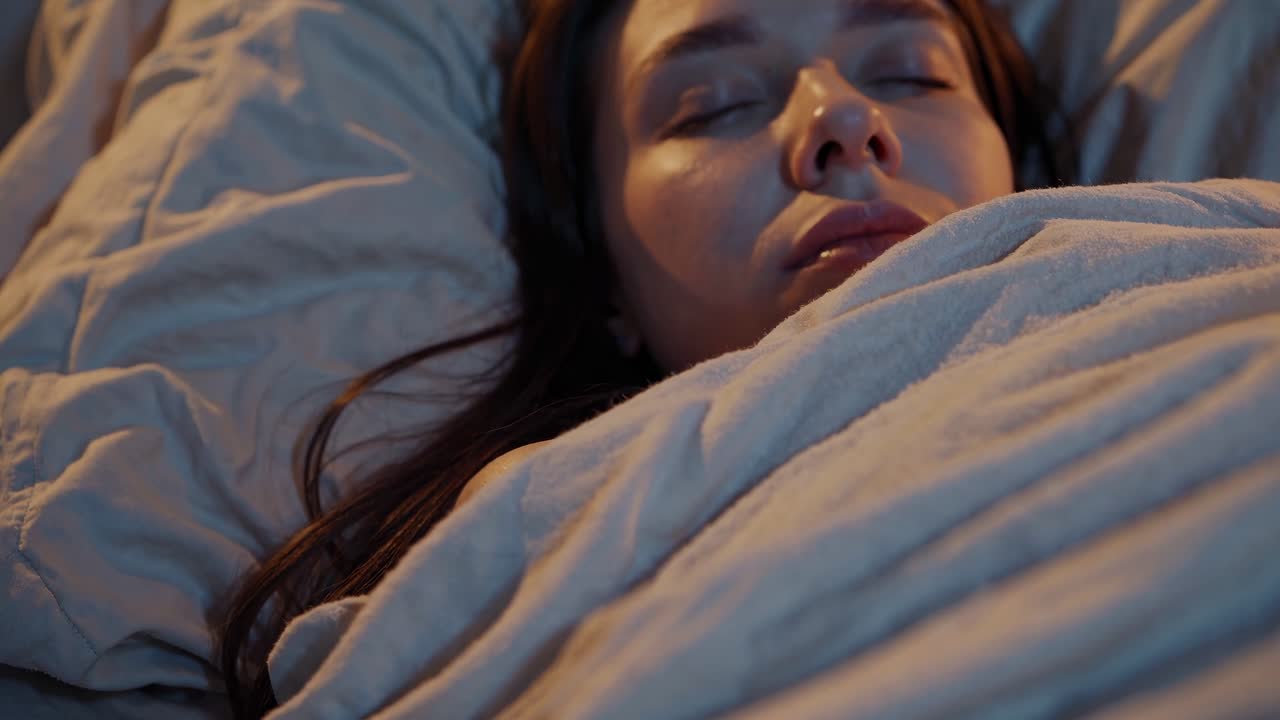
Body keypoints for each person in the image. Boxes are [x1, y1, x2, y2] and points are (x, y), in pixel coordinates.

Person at [220, 0, 1067, 715]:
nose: (844, 119)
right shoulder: (526, 544)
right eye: (713, 105)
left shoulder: (1193, 267)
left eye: (914, 72)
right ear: (607, 283)